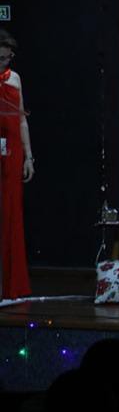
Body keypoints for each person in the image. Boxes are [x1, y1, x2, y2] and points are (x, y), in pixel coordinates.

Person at [0, 29, 32, 300]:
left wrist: (29, 156)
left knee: (12, 214)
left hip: (12, 153)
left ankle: (14, 286)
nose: (4, 63)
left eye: (6, 59)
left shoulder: (16, 79)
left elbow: (21, 119)